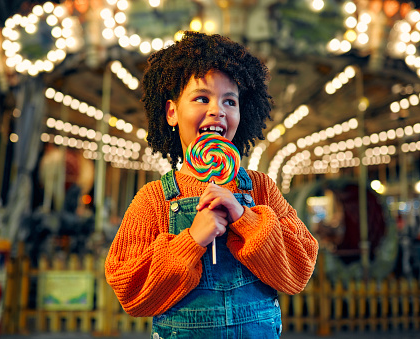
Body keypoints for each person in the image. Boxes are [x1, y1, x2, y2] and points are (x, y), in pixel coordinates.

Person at [105, 31, 318, 338]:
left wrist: (245, 219)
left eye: (229, 101)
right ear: (172, 112)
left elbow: (299, 270)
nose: (218, 109)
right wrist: (192, 239)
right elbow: (130, 290)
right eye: (202, 98)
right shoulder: (154, 199)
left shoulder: (260, 189)